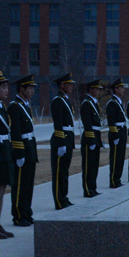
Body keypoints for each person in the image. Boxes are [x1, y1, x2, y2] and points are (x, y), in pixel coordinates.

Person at [9, 74, 38, 226]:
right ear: (22, 89)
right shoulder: (15, 107)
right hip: (22, 150)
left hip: (30, 148)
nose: (33, 91)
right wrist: (19, 153)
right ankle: (19, 215)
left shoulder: (25, 105)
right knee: (20, 184)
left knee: (28, 184)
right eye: (30, 88)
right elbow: (15, 132)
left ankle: (26, 212)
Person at [0, 70, 14, 239]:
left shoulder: (0, 106)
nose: (6, 90)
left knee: (2, 189)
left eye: (7, 87)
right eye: (3, 87)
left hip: (5, 150)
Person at [50, 72, 76, 210]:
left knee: (65, 171)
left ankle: (64, 197)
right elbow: (58, 123)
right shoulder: (58, 101)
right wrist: (61, 143)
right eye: (69, 84)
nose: (71, 86)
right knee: (59, 172)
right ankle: (59, 200)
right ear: (62, 85)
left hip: (68, 137)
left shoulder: (65, 100)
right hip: (62, 138)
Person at [80, 79, 103, 198]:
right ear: (91, 90)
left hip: (96, 136)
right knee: (88, 165)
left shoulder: (94, 103)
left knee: (94, 165)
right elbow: (87, 123)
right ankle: (87, 189)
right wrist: (91, 139)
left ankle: (93, 188)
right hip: (90, 138)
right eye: (96, 89)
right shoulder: (86, 103)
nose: (98, 91)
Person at [106, 78, 128, 189]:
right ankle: (114, 180)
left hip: (122, 131)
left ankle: (118, 179)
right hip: (117, 133)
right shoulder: (112, 103)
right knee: (115, 158)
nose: (123, 90)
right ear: (115, 89)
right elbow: (111, 121)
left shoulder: (118, 102)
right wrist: (115, 135)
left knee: (120, 157)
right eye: (121, 88)